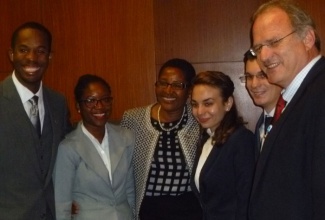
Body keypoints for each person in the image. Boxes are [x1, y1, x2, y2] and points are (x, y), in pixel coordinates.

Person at [248, 1, 325, 219]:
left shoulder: (320, 93)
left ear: (308, 38)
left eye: (274, 42)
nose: (263, 56)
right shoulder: (298, 96)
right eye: (258, 48)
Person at [0, 21, 71, 220]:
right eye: (24, 50)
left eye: (40, 51)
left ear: (49, 57)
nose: (32, 58)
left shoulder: (58, 102)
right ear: (11, 54)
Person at [121, 58, 202, 220]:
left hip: (189, 209)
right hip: (148, 209)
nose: (168, 90)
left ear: (189, 90)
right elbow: (119, 166)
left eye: (178, 85)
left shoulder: (199, 119)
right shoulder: (133, 119)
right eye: (163, 83)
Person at [53, 74, 135, 220]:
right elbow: (61, 204)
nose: (100, 106)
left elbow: (130, 190)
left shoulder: (126, 137)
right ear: (79, 106)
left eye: (105, 99)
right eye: (90, 101)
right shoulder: (68, 148)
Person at [190, 71, 255, 220]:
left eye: (208, 103)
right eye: (195, 104)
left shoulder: (241, 140)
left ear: (228, 103)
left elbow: (246, 201)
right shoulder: (206, 138)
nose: (199, 111)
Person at [241, 50, 281, 157]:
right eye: (249, 77)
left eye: (262, 75)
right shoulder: (261, 124)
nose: (254, 84)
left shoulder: (294, 119)